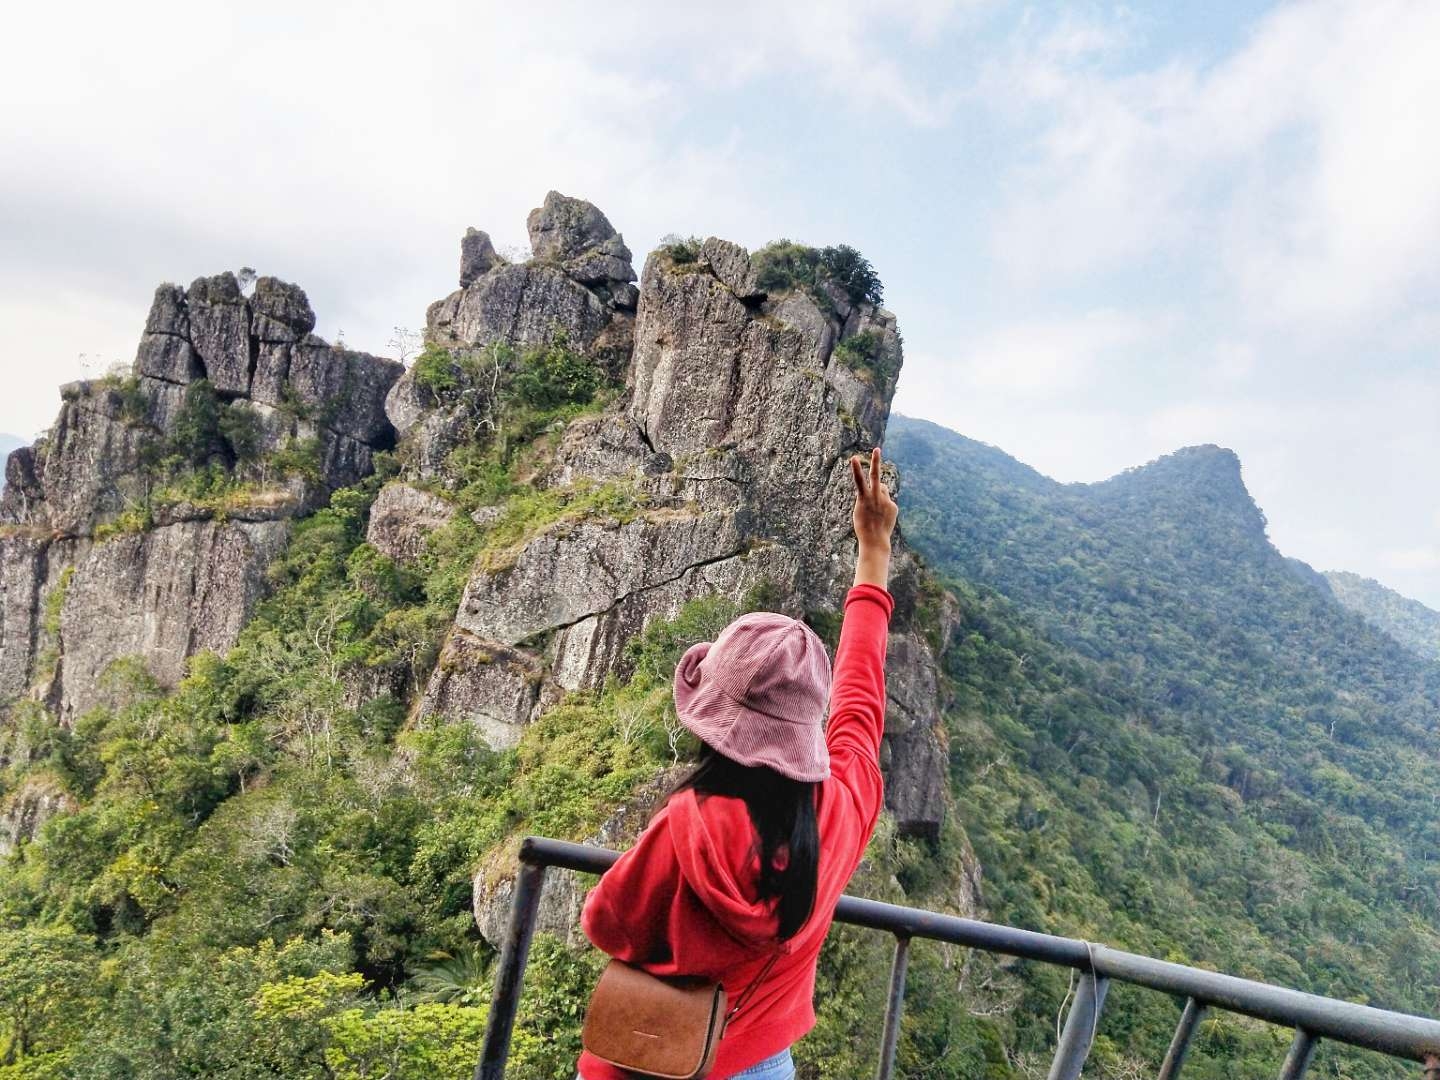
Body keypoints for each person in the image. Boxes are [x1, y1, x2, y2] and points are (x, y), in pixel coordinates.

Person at [577, 447, 900, 1080]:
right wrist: (874, 551)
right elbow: (861, 697)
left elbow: (607, 923)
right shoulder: (841, 809)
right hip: (759, 1064)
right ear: (807, 721)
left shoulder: (686, 825)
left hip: (643, 1059)